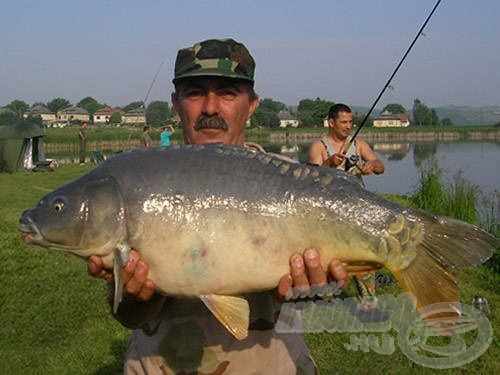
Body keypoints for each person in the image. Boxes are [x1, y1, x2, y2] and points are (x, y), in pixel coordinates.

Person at [87, 38, 348, 374]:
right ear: (176, 104)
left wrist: (314, 288)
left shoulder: (294, 181)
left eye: (227, 93)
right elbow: (129, 316)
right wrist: (138, 296)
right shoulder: (143, 185)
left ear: (252, 104)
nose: (210, 108)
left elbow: (318, 295)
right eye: (195, 92)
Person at [308, 103, 386, 322]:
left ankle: (368, 305)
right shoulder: (319, 146)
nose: (348, 126)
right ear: (331, 122)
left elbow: (380, 165)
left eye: (350, 122)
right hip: (328, 213)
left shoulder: (358, 144)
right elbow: (311, 178)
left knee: (362, 256)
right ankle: (324, 297)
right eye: (343, 122)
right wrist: (329, 163)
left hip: (356, 212)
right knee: (327, 256)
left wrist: (371, 166)